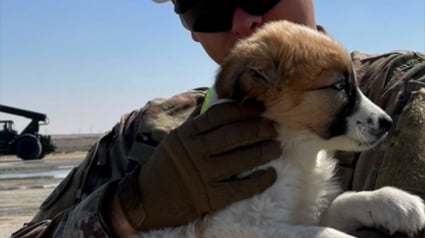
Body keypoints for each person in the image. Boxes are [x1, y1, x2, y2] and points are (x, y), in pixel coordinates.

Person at [12, 0, 425, 237]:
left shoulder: (404, 91)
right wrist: (123, 211)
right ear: (191, 29)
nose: (244, 20)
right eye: (205, 4)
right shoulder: (138, 134)